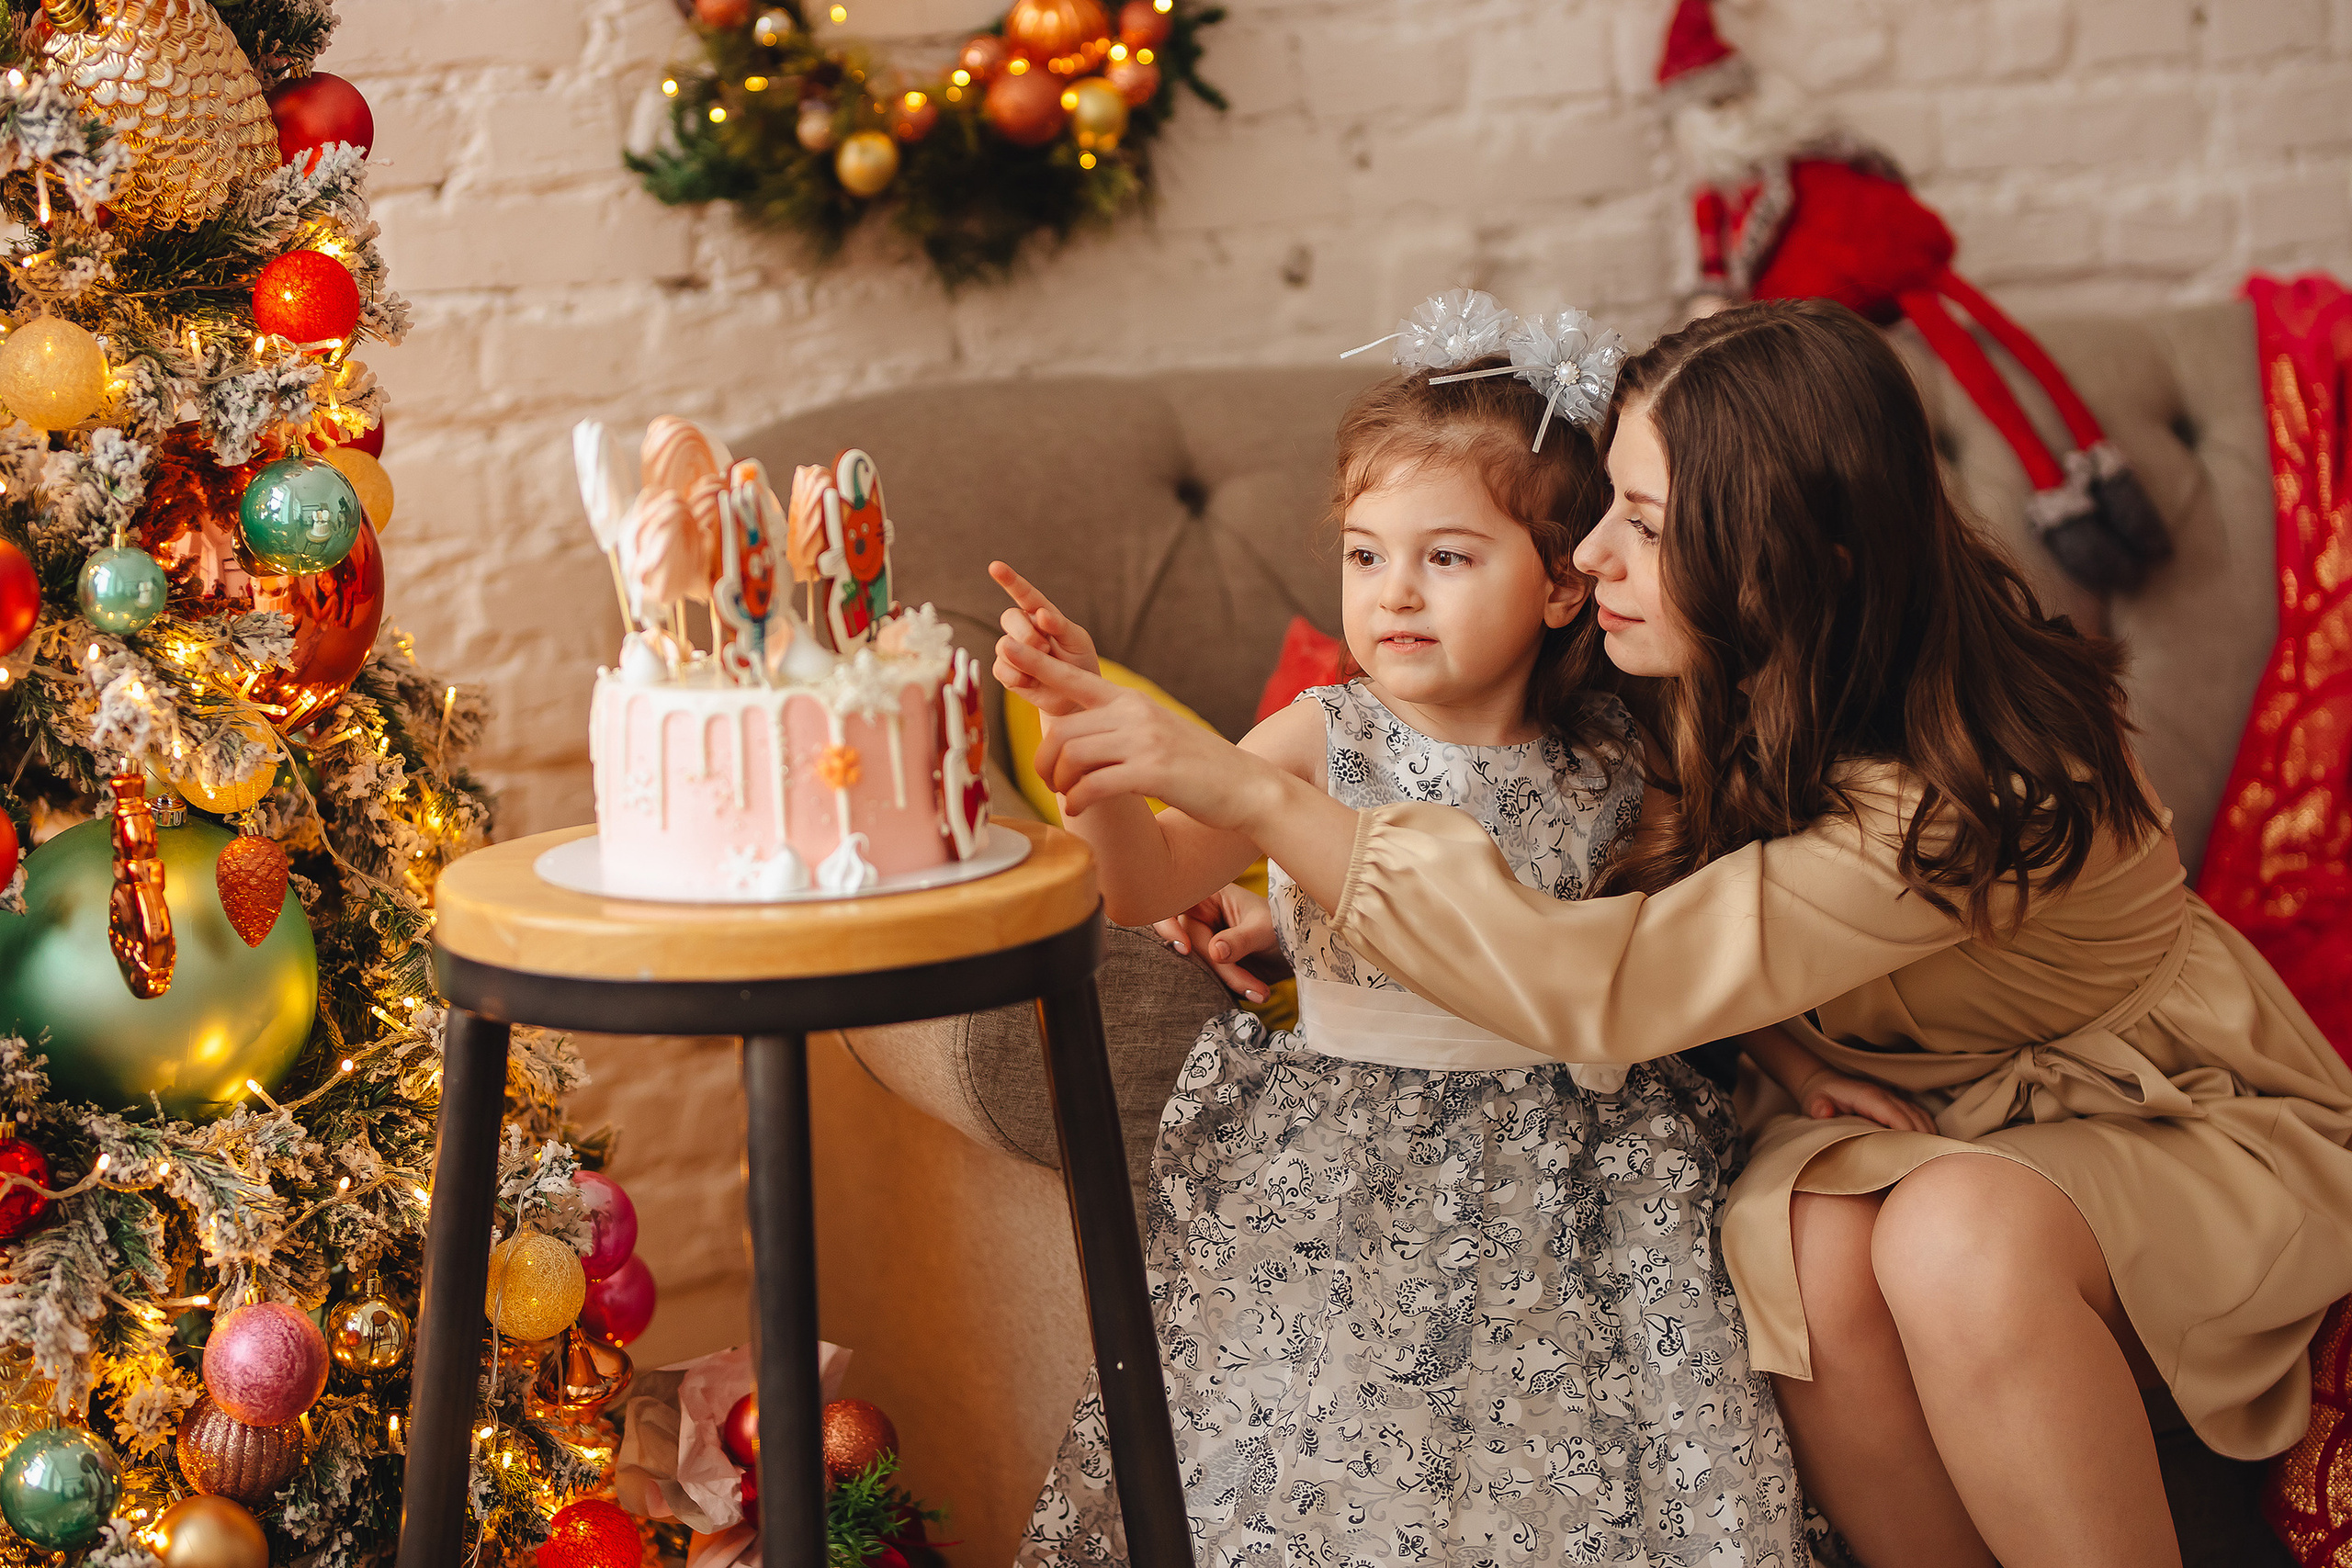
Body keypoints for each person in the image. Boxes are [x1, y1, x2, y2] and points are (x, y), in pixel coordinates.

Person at [999, 297, 2352, 1568]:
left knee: (1954, 1237)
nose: (1591, 557)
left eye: (1640, 525)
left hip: (2140, 1111)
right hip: (1893, 1105)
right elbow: (1571, 867)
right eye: (1605, 509)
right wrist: (1307, 912)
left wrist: (1258, 804)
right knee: (1806, 1242)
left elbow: (1621, 972)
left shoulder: (1965, 788)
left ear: (1789, 564)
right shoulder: (1696, 674)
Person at [996, 299, 1879, 1567]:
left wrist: (1799, 1067)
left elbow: (1674, 954)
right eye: (1365, 556)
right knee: (1326, 1463)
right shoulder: (1324, 737)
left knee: (1578, 1480)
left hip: (1582, 1171)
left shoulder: (1623, 752)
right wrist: (1084, 749)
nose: (1394, 593)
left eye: (1448, 559)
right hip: (1350, 1154)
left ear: (1565, 586)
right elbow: (1140, 889)